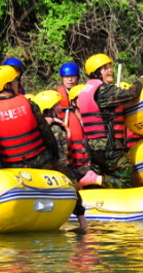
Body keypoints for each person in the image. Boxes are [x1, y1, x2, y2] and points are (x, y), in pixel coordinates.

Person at [0, 66, 88, 229]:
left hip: (12, 166)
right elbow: (46, 132)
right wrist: (56, 157)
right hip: (41, 159)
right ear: (7, 85)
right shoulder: (28, 103)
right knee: (69, 177)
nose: (17, 83)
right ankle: (82, 220)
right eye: (15, 81)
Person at [76, 54, 143, 189]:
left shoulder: (86, 90)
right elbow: (130, 94)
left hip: (93, 147)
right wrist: (142, 79)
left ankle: (94, 184)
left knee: (103, 181)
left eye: (110, 67)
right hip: (108, 147)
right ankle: (94, 178)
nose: (110, 70)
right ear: (96, 72)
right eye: (105, 68)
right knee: (128, 181)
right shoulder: (104, 90)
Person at [35, 90, 90, 229]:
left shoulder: (38, 126)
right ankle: (82, 222)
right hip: (57, 168)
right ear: (48, 109)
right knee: (74, 187)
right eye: (57, 105)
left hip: (42, 169)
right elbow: (62, 155)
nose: (60, 107)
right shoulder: (55, 128)